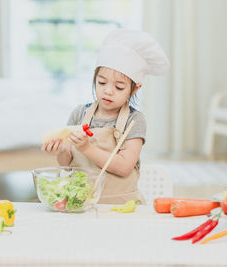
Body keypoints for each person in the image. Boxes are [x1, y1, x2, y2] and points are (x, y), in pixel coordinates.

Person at [42, 28, 169, 204]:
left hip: (121, 207)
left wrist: (87, 148)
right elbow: (66, 163)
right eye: (101, 82)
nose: (108, 91)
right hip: (81, 205)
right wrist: (61, 150)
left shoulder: (134, 120)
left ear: (135, 88)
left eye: (119, 87)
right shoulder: (79, 113)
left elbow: (124, 167)